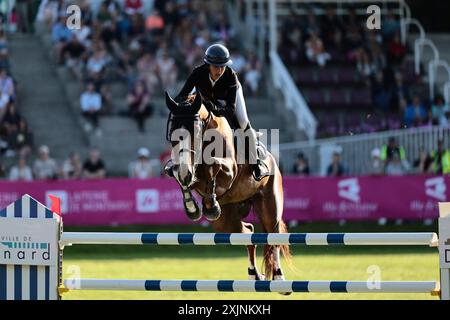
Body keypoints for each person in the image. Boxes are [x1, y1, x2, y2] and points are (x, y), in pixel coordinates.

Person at [165, 43, 270, 181]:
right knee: (185, 122)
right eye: (216, 66)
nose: (219, 70)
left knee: (243, 121)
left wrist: (211, 107)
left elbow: (230, 111)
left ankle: (256, 163)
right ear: (208, 65)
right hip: (205, 102)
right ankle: (176, 160)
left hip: (226, 103)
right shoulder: (198, 72)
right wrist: (185, 105)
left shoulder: (231, 76)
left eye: (223, 66)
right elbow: (181, 96)